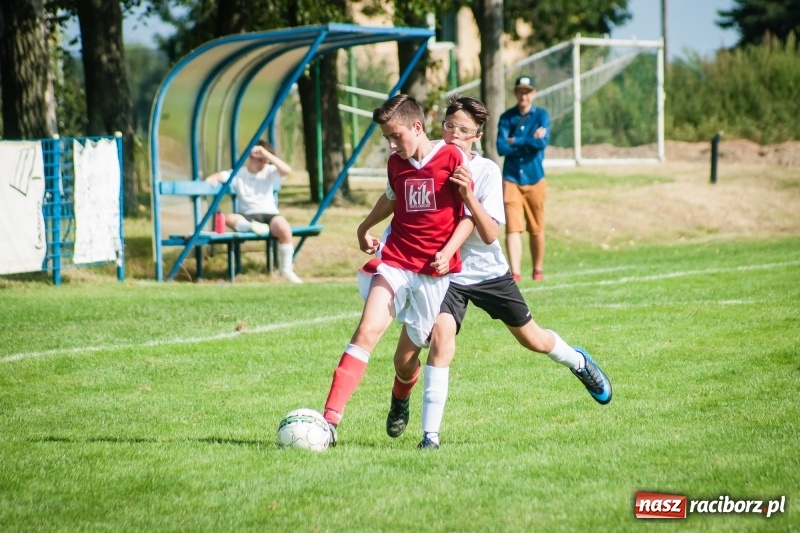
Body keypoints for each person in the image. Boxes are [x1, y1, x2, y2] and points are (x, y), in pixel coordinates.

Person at [386, 94, 611, 450]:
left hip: (489, 272)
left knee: (533, 340)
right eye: (449, 126)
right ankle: (430, 436)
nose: (454, 135)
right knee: (442, 340)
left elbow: (490, 234)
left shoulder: (487, 171)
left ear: (476, 136)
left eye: (464, 130)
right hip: (448, 275)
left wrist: (466, 192)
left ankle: (579, 362)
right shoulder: (425, 162)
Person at [321, 94, 474, 446]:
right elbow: (391, 198)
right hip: (396, 260)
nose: (391, 144)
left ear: (417, 127)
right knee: (366, 330)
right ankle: (330, 422)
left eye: (395, 136)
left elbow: (467, 217)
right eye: (387, 138)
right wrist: (363, 228)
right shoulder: (396, 163)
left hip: (434, 274)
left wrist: (448, 250)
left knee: (405, 362)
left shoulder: (452, 157)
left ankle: (400, 397)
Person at [205, 140, 302, 284]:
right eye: (261, 159)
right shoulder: (239, 173)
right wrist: (212, 180)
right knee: (228, 217)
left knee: (283, 227)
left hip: (269, 214)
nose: (264, 163)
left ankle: (286, 270)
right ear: (252, 157)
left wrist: (266, 154)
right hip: (247, 216)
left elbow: (287, 170)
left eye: (266, 160)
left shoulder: (269, 171)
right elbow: (216, 177)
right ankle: (251, 227)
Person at [497, 75, 550, 282]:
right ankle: (515, 273)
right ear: (515, 93)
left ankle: (538, 269)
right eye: (520, 91)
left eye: (527, 92)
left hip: (535, 177)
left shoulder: (542, 116)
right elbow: (501, 147)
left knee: (536, 227)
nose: (524, 96)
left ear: (534, 94)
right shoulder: (506, 117)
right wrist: (529, 140)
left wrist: (516, 140)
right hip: (511, 178)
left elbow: (542, 143)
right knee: (513, 227)